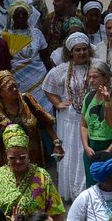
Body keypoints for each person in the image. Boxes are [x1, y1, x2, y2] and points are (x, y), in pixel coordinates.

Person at [44, 32, 96, 204]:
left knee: (87, 152)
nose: (82, 53)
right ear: (70, 52)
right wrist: (58, 103)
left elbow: (111, 83)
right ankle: (73, 193)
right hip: (69, 120)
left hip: (92, 117)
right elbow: (47, 87)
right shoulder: (62, 69)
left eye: (84, 49)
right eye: (77, 50)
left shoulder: (97, 66)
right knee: (71, 154)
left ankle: (89, 191)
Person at [0, 70, 58, 171]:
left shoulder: (27, 99)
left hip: (35, 159)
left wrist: (56, 143)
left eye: (15, 86)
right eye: (10, 88)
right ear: (0, 92)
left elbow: (45, 120)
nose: (15, 89)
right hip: (10, 164)